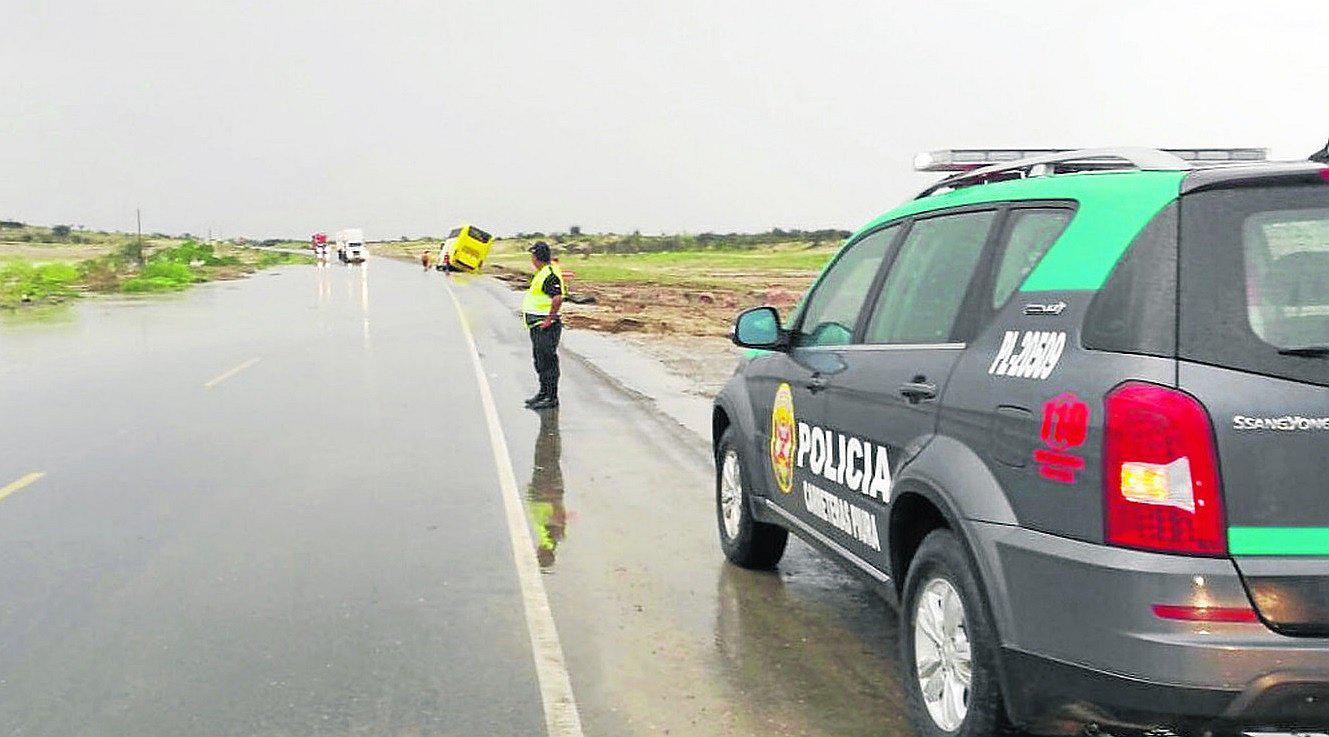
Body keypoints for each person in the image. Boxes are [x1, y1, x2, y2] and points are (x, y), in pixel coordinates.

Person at [522, 242, 567, 409]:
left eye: (532, 256)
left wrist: (549, 319)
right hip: (537, 324)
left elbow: (557, 298)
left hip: (546, 326)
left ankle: (551, 397)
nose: (531, 259)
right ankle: (543, 393)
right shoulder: (542, 272)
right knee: (540, 361)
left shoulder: (549, 274)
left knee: (547, 362)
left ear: (537, 257)